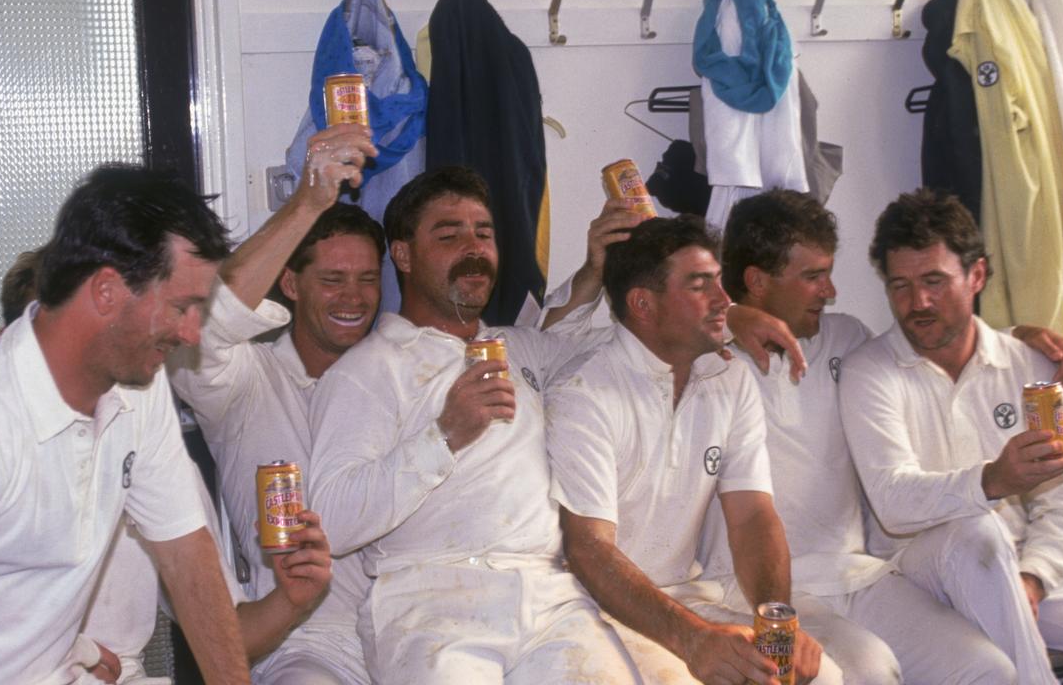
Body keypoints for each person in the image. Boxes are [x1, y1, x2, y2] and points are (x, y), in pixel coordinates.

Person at [0, 165, 251, 684]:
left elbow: (186, 555)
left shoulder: (140, 389)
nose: (192, 333)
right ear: (107, 291)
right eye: (182, 306)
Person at [308, 165, 645, 684]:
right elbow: (330, 519)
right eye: (449, 235)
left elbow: (625, 351)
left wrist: (601, 270)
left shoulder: (518, 347)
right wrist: (444, 436)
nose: (474, 247)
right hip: (430, 604)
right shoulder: (368, 370)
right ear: (403, 255)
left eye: (483, 234)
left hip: (551, 596)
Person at [718, 188, 1026, 683]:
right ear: (757, 281)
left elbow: (934, 333)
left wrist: (1023, 336)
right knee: (871, 670)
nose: (830, 290)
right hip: (755, 592)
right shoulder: (707, 362)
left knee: (987, 670)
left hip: (859, 575)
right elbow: (606, 339)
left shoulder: (848, 339)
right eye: (814, 276)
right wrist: (729, 315)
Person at [0, 243, 334, 684]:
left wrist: (292, 600)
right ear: (13, 341)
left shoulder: (142, 442)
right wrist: (70, 656)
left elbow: (226, 637)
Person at [839, 189, 1063, 684]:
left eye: (935, 281)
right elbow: (894, 502)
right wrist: (993, 479)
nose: (918, 303)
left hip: (1018, 565)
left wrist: (1033, 579)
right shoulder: (868, 371)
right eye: (901, 286)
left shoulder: (1032, 366)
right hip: (916, 580)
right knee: (976, 530)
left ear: (976, 275)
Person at [545, 215, 830, 685]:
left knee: (822, 676)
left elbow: (753, 515)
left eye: (719, 282)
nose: (725, 301)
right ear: (642, 304)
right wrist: (695, 640)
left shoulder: (730, 377)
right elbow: (589, 551)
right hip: (592, 607)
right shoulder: (585, 390)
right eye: (701, 286)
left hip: (684, 597)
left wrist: (777, 622)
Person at [168, 123, 384, 684]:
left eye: (367, 279)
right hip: (304, 643)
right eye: (333, 279)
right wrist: (307, 203)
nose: (354, 298)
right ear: (290, 283)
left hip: (414, 626)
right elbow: (204, 321)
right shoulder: (242, 378)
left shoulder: (401, 374)